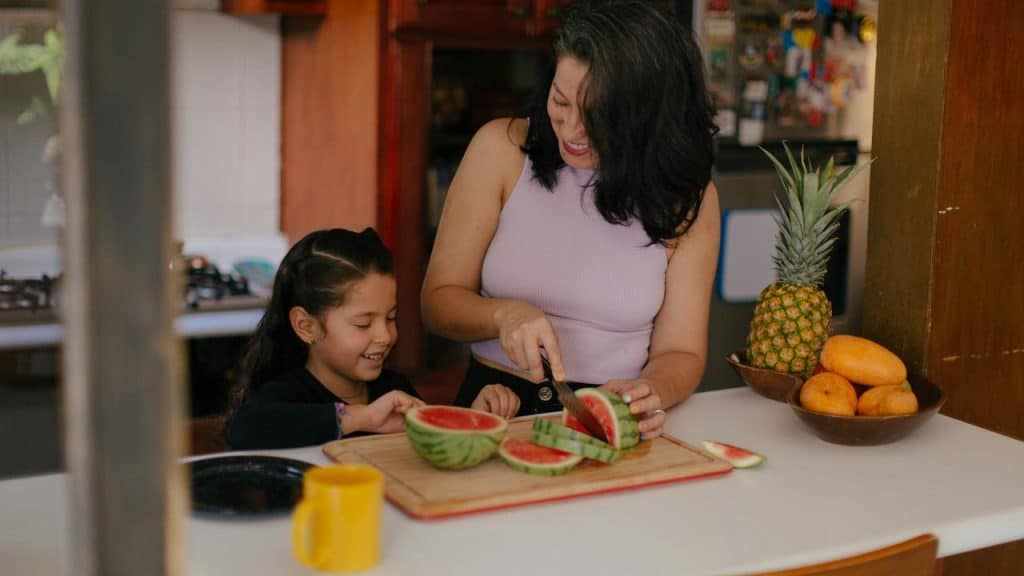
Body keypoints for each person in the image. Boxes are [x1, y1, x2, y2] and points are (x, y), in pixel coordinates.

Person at [421, 0, 720, 441]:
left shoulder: (688, 200)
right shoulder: (500, 149)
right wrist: (503, 315)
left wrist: (651, 390)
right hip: (495, 406)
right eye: (561, 101)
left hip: (611, 417)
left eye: (598, 117)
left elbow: (682, 351)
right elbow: (437, 302)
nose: (572, 130)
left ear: (648, 121)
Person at [226, 228, 518, 450]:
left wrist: (474, 418)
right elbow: (244, 428)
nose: (385, 335)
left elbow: (432, 445)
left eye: (390, 318)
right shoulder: (286, 394)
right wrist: (360, 418)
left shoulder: (393, 388)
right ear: (306, 326)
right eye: (364, 323)